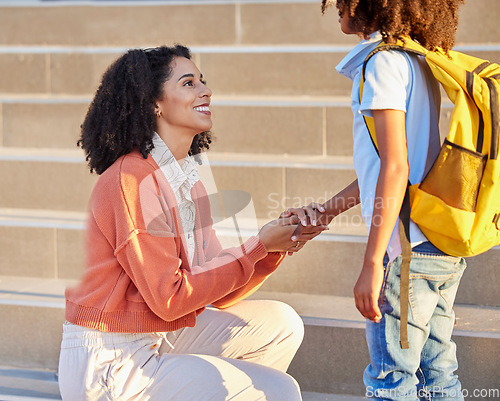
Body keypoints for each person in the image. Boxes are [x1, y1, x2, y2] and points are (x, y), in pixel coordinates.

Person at [58, 45, 328, 401]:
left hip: (157, 333)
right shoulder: (132, 180)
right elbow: (170, 298)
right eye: (188, 83)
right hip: (111, 359)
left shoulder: (186, 178)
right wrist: (258, 244)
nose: (205, 90)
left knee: (281, 324)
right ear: (154, 103)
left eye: (203, 81)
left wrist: (272, 248)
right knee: (279, 391)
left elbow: (216, 291)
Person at [284, 0, 467, 399]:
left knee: (391, 384)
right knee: (439, 377)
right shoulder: (415, 60)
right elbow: (396, 164)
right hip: (437, 245)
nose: (335, 4)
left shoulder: (381, 64)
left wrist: (373, 262)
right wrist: (328, 212)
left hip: (405, 251)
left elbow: (396, 168)